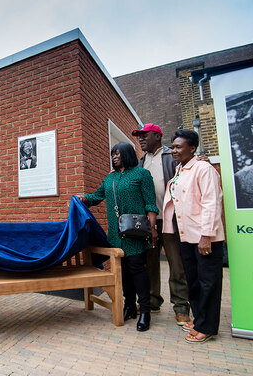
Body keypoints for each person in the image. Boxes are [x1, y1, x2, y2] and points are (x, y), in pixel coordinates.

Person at [80, 142, 158, 332]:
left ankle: (145, 311)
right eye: (113, 154)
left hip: (136, 232)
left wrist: (153, 228)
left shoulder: (142, 174)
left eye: (118, 153)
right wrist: (83, 199)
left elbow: (150, 204)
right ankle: (129, 306)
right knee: (122, 271)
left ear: (128, 154)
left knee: (137, 269)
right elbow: (96, 196)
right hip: (116, 233)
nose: (115, 157)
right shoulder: (110, 179)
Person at [163, 129, 225, 344]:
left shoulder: (203, 169)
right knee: (194, 281)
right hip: (186, 237)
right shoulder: (180, 169)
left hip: (205, 239)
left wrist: (206, 235)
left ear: (192, 148)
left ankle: (207, 327)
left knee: (209, 282)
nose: (174, 151)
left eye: (178, 147)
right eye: (172, 147)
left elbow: (211, 202)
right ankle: (200, 319)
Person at [132, 124, 190, 327]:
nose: (141, 139)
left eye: (144, 135)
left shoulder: (170, 155)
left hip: (171, 219)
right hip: (149, 221)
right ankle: (153, 301)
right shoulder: (141, 161)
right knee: (150, 264)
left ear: (157, 136)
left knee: (177, 264)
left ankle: (181, 307)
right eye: (138, 137)